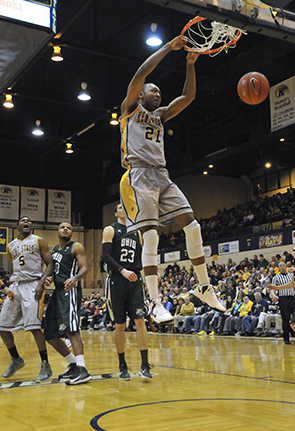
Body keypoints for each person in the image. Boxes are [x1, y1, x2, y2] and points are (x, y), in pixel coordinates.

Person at [119, 35, 225, 325]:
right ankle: (153, 302)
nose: (158, 94)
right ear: (141, 94)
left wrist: (191, 64)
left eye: (159, 91)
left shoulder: (161, 116)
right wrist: (168, 48)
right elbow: (141, 74)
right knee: (151, 235)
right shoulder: (130, 109)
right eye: (154, 90)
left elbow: (188, 97)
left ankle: (204, 286)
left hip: (162, 175)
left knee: (193, 226)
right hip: (138, 174)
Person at [102, 203, 152, 381]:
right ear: (116, 213)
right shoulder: (110, 229)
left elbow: (143, 256)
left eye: (126, 206)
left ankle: (145, 365)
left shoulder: (137, 233)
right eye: (120, 207)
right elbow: (106, 256)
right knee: (120, 325)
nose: (124, 208)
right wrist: (122, 270)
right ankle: (122, 365)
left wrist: (152, 274)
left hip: (135, 280)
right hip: (117, 279)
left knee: (140, 321)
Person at [0, 216, 53, 382]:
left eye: (29, 221)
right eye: (23, 221)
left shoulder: (39, 241)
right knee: (2, 327)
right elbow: (12, 267)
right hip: (15, 286)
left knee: (34, 327)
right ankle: (16, 359)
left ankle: (45, 364)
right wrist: (8, 286)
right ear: (17, 226)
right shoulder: (10, 245)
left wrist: (41, 283)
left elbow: (50, 264)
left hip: (32, 285)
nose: (27, 222)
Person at [44, 222, 92, 385]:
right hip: (56, 292)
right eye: (62, 227)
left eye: (69, 228)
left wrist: (75, 278)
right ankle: (73, 364)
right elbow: (53, 271)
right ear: (57, 232)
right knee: (50, 334)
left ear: (71, 233)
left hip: (69, 290)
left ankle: (82, 370)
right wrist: (49, 278)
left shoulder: (76, 246)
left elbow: (84, 268)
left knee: (72, 330)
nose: (65, 229)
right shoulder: (55, 250)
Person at [267, 261, 295, 344]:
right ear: (278, 267)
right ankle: (286, 338)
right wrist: (274, 296)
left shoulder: (291, 275)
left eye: (283, 265)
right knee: (286, 319)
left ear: (286, 266)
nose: (282, 267)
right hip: (283, 299)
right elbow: (273, 288)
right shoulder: (276, 277)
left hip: (292, 298)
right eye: (280, 266)